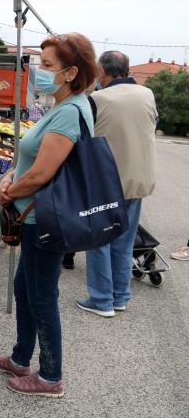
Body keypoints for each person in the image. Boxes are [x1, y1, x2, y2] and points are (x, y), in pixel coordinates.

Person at [0, 33, 98, 398]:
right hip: (37, 215)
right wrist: (11, 174)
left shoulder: (69, 111)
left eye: (48, 65)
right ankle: (22, 357)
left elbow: (42, 174)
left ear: (70, 73)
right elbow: (31, 162)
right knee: (25, 288)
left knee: (41, 296)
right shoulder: (64, 105)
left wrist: (9, 192)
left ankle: (50, 377)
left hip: (44, 219)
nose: (39, 71)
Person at [76, 51, 158, 317]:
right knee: (124, 238)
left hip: (106, 181)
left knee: (100, 239)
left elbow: (83, 136)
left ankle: (101, 300)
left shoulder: (97, 98)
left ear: (102, 72)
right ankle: (121, 296)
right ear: (127, 69)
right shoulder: (147, 94)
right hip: (138, 178)